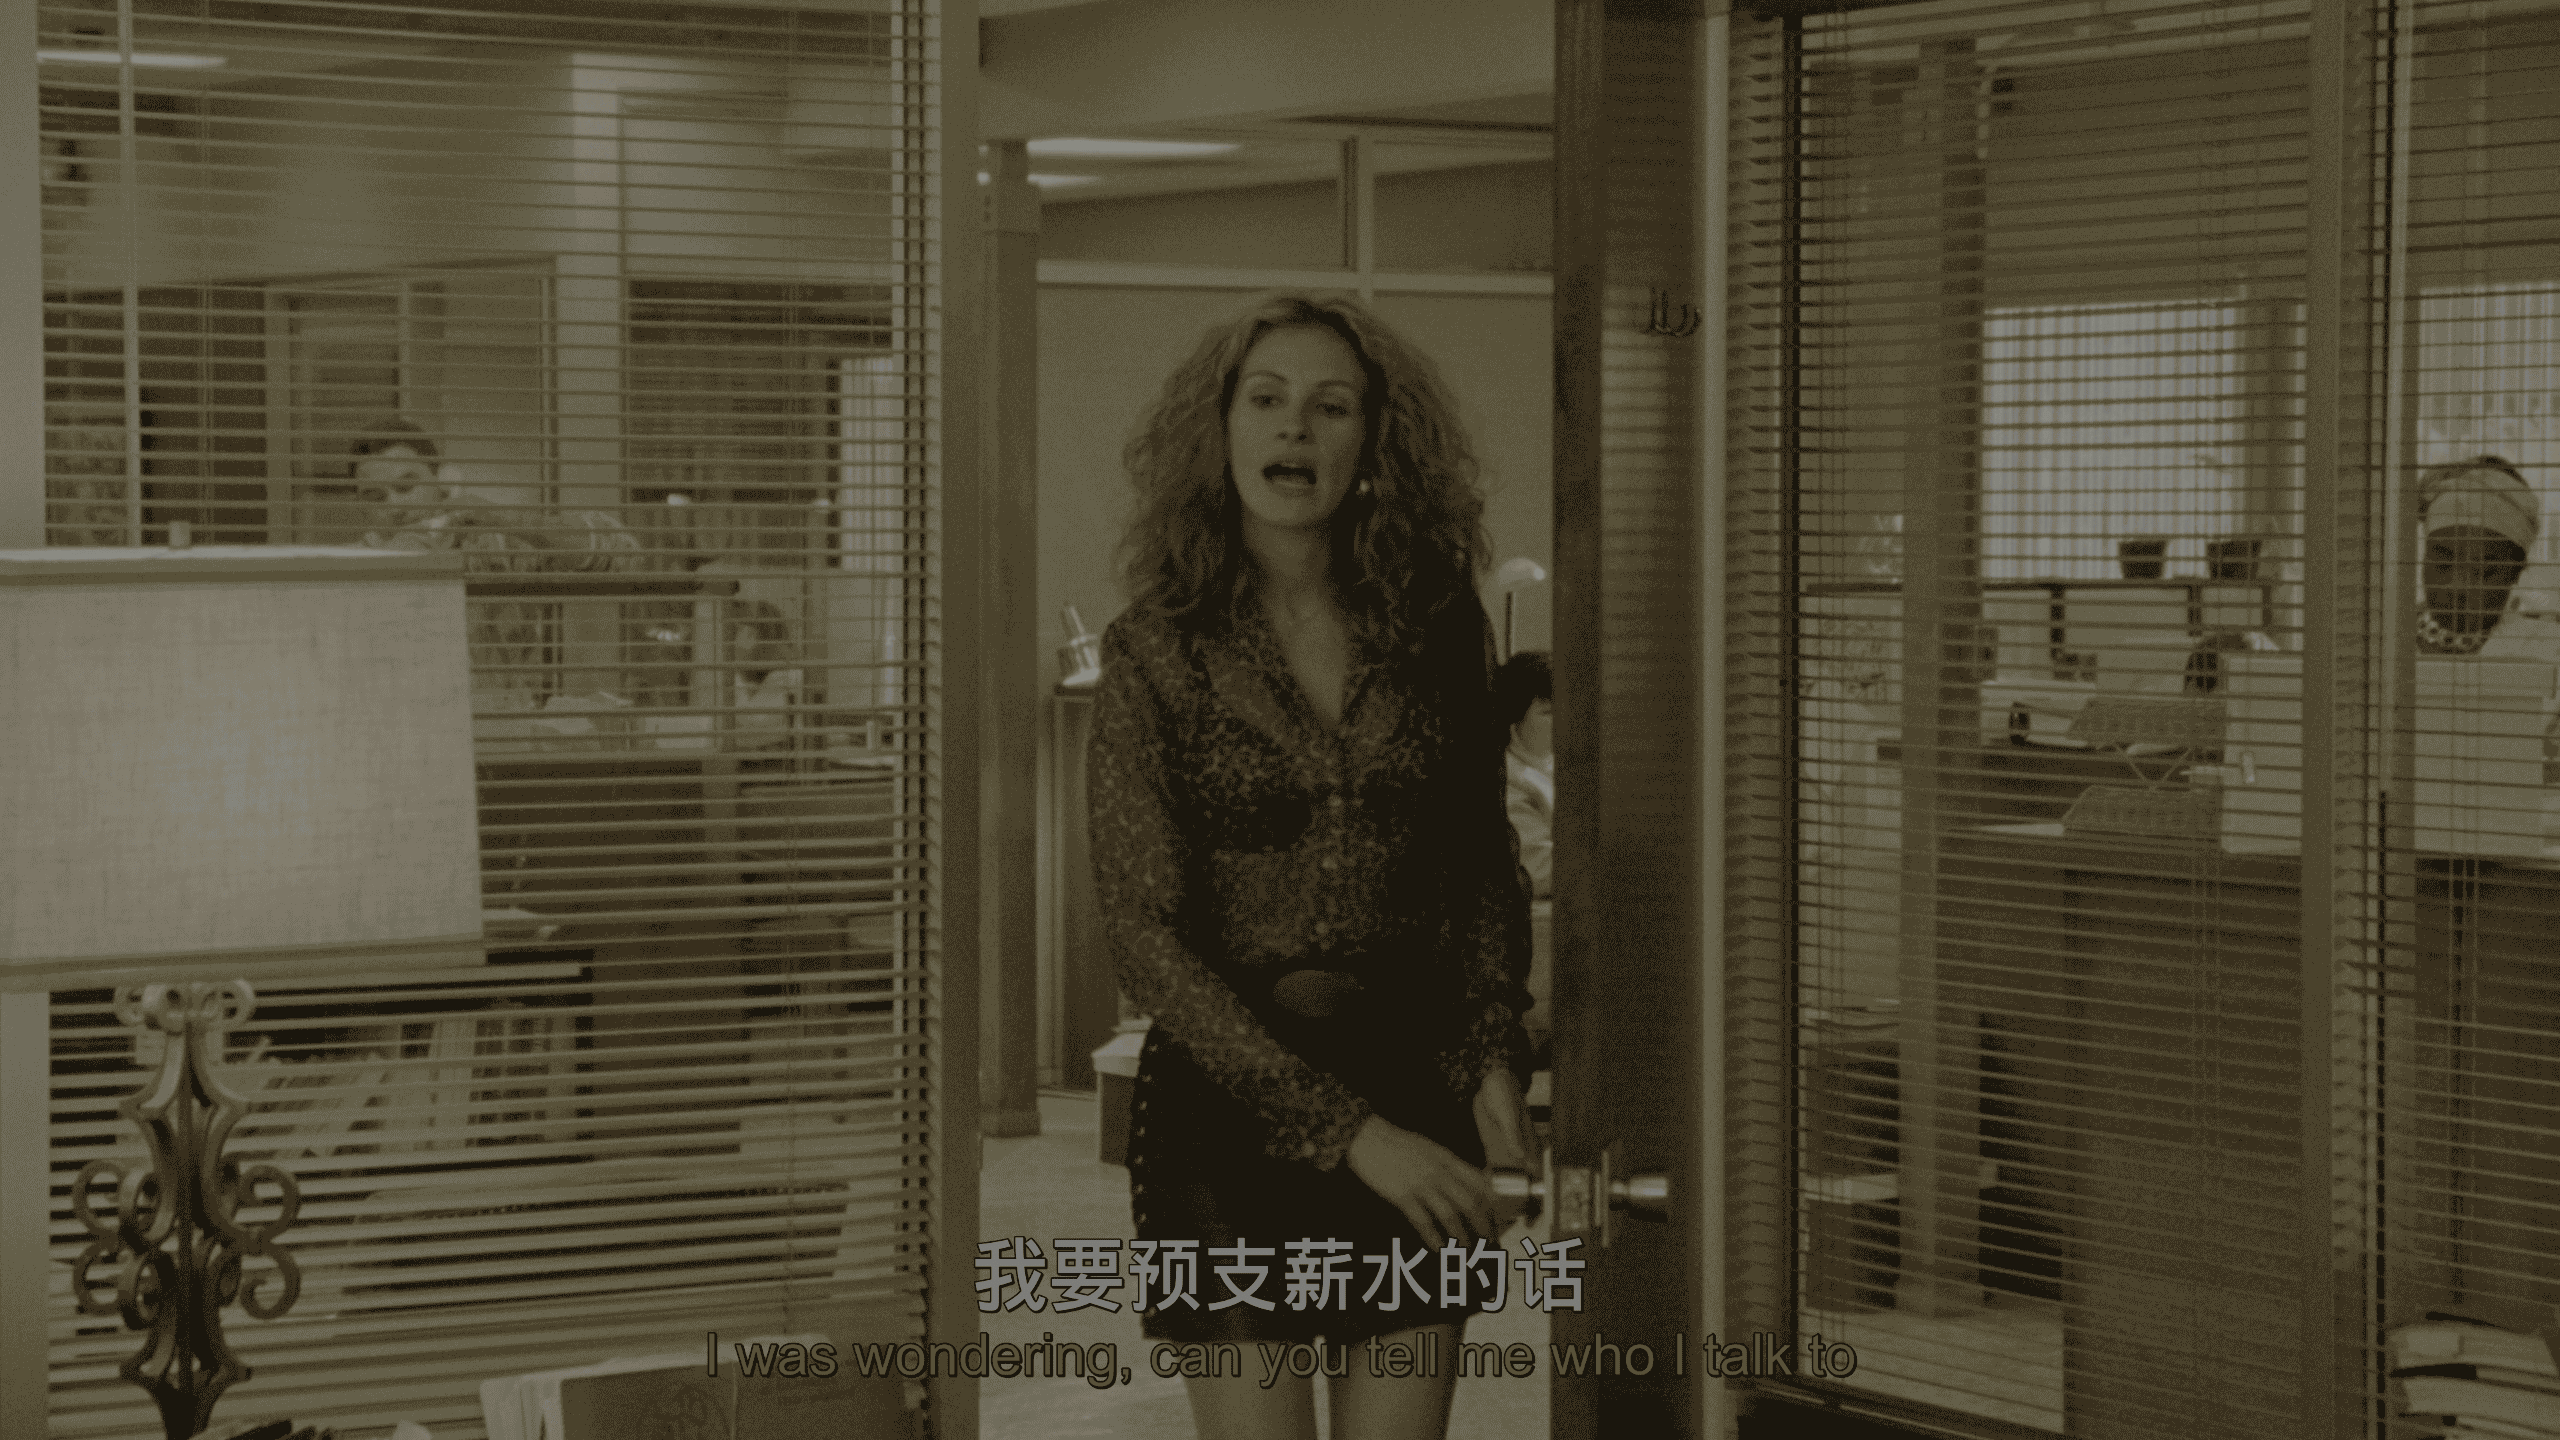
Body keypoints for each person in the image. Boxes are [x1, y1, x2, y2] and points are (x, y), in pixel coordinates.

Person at [1088, 294, 1534, 1440]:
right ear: (1220, 430)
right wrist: (1354, 1136)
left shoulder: (1437, 624)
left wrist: (1491, 1058)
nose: (1296, 427)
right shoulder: (1154, 648)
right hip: (1226, 1117)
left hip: (1413, 1091)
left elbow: (1477, 866)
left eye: (1332, 406)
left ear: (1373, 439)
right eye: (1267, 399)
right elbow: (1144, 937)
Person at [1490, 651, 1553, 899]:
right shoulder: (1510, 780)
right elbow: (1537, 868)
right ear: (1514, 718)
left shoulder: (1566, 765)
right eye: (1548, 712)